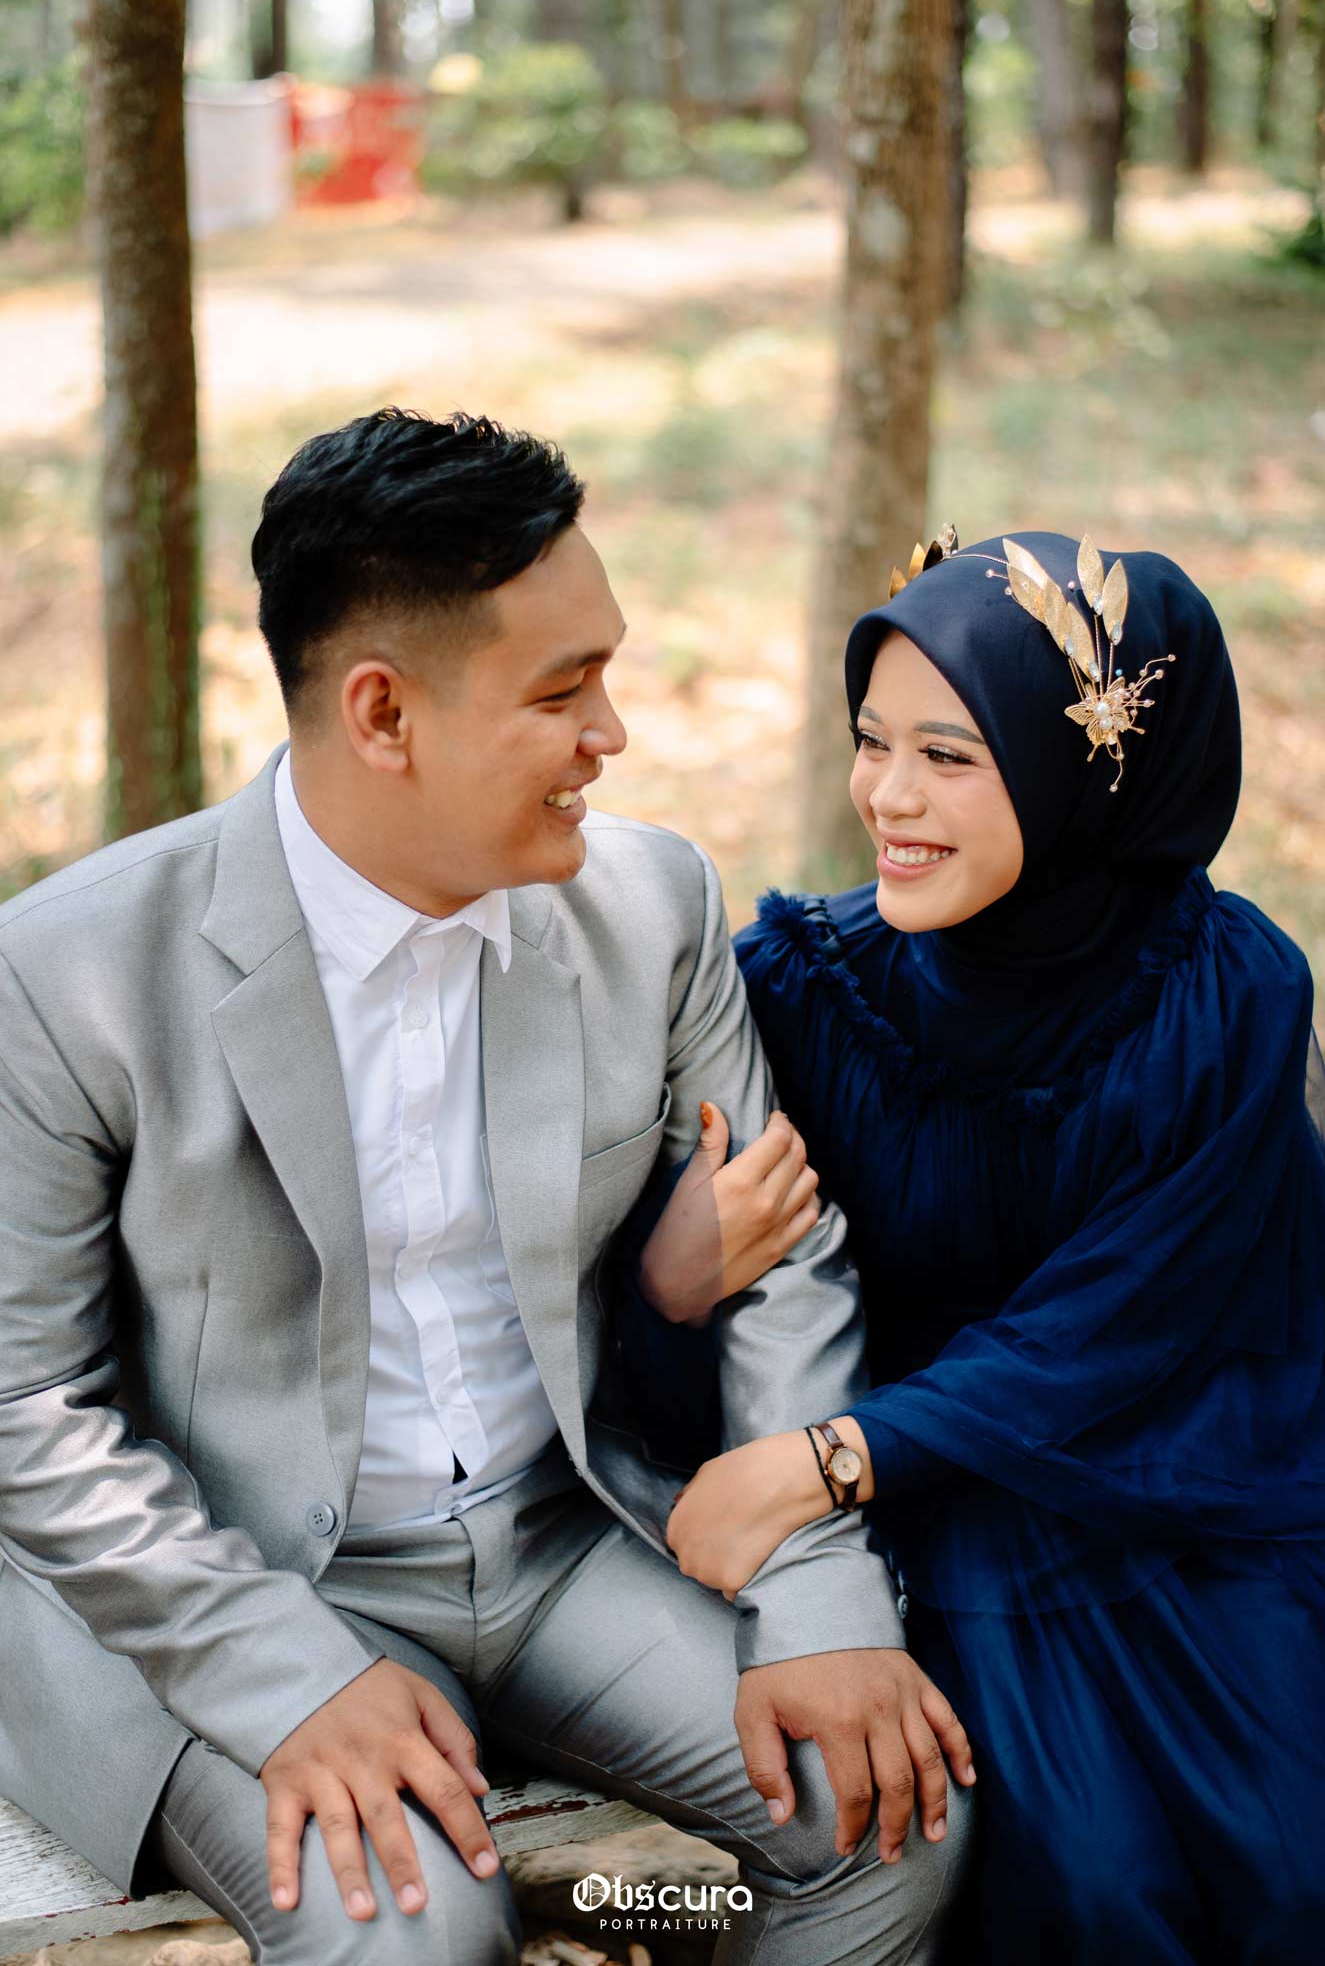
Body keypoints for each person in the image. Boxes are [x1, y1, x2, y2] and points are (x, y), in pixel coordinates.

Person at [0, 410, 977, 1966]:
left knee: (884, 1817)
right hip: (237, 1581)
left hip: (561, 1538)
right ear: (382, 712)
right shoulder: (71, 972)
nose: (612, 733)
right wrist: (285, 1677)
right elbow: (27, 1403)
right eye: (560, 690)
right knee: (415, 1930)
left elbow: (779, 1263)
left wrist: (815, 1599)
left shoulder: (650, 903)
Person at [651, 529, 1325, 1964]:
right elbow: (648, 1310)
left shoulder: (1225, 992)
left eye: (949, 757)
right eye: (870, 741)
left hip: (1176, 1465)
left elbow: (1122, 1323)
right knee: (1081, 1878)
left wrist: (831, 1456)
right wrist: (674, 1281)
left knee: (1284, 1857)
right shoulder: (802, 992)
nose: (887, 796)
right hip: (928, 1513)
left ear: (1091, 769)